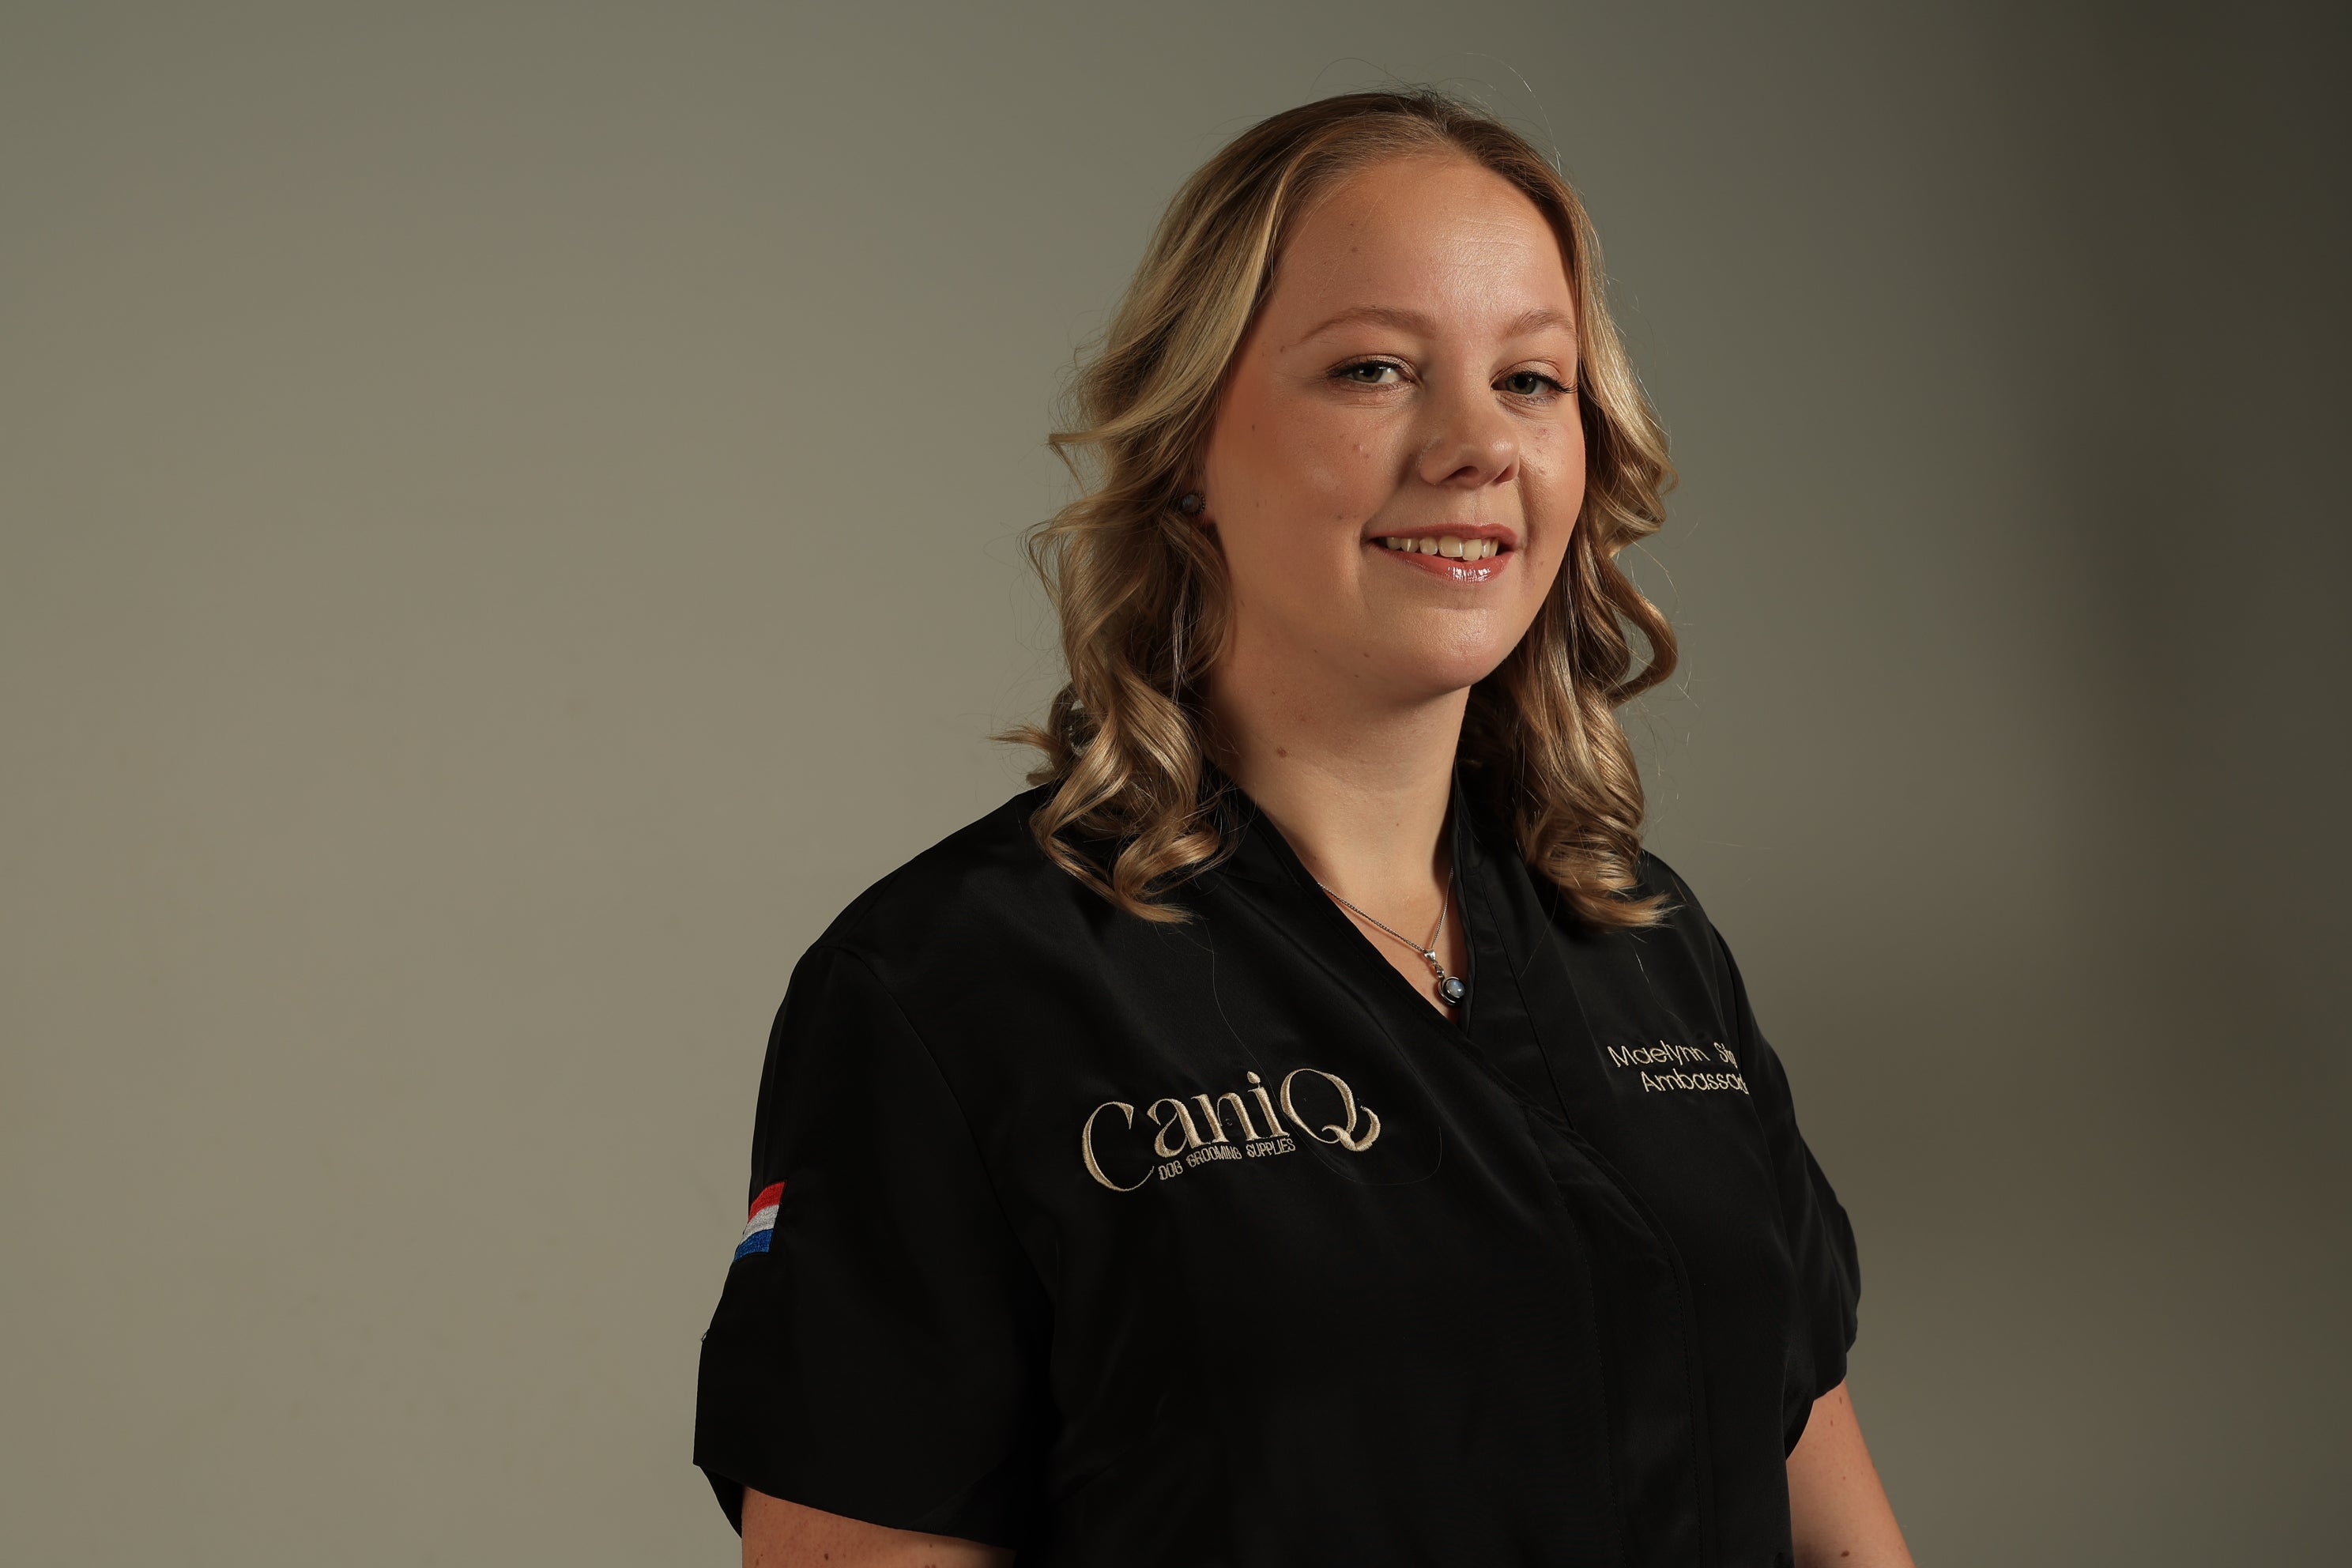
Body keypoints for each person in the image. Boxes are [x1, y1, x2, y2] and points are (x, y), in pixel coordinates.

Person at [693, 88, 1915, 1568]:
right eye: (1375, 369)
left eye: (1532, 379)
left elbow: (1839, 1537)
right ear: (1189, 448)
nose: (1477, 445)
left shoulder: (1643, 945)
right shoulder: (954, 985)